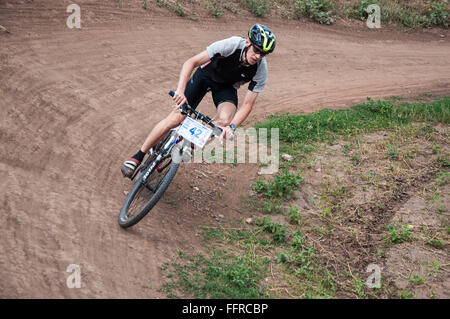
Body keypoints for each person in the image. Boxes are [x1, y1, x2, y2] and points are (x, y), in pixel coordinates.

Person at [121, 23, 276, 178]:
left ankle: (191, 141)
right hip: (205, 76)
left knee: (225, 121)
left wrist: (232, 126)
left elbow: (248, 104)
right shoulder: (232, 44)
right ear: (248, 42)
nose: (258, 56)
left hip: (226, 88)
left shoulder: (260, 70)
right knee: (176, 117)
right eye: (257, 50)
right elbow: (191, 62)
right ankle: (138, 156)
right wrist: (181, 91)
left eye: (263, 54)